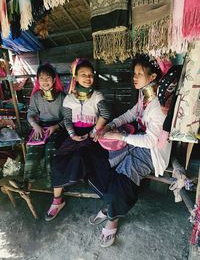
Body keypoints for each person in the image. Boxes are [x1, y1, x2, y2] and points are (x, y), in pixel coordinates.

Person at [86, 54, 172, 248]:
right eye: (134, 73)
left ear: (152, 78)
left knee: (124, 174)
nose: (134, 77)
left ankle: (113, 218)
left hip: (153, 151)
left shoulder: (158, 106)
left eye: (139, 74)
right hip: (138, 139)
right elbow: (133, 113)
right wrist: (111, 125)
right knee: (104, 162)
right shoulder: (145, 94)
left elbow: (151, 141)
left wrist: (120, 137)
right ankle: (110, 205)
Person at [45, 58, 111, 221]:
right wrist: (73, 135)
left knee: (90, 159)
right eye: (83, 75)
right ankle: (57, 201)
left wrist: (93, 132)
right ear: (75, 78)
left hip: (93, 134)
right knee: (59, 159)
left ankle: (110, 201)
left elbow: (106, 115)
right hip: (74, 134)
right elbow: (67, 120)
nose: (88, 78)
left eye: (90, 75)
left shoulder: (97, 96)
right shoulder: (69, 99)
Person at [9, 64, 66, 188]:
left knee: (50, 149)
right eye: (41, 78)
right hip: (41, 126)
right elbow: (31, 113)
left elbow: (68, 118)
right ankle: (26, 182)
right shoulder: (36, 96)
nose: (45, 81)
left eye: (48, 78)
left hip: (58, 127)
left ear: (54, 79)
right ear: (38, 80)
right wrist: (35, 125)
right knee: (33, 148)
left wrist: (56, 127)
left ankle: (53, 182)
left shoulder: (62, 96)